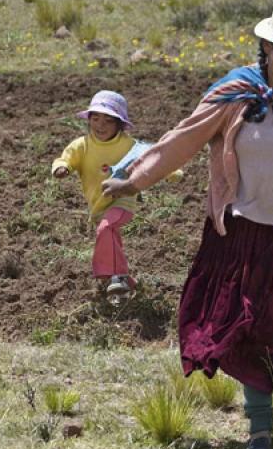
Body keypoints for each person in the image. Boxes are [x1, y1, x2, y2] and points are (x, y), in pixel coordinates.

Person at [101, 0, 273, 449]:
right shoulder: (236, 92)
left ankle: (261, 428)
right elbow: (182, 139)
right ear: (265, 44)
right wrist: (135, 179)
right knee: (227, 324)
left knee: (267, 328)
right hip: (239, 231)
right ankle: (263, 418)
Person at [52, 90, 181, 301]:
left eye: (108, 120)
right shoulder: (82, 145)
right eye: (95, 118)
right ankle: (128, 284)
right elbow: (65, 159)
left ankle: (116, 277)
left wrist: (172, 172)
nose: (100, 125)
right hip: (98, 206)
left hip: (122, 201)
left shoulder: (130, 146)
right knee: (109, 237)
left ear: (120, 124)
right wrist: (61, 168)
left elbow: (152, 158)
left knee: (107, 227)